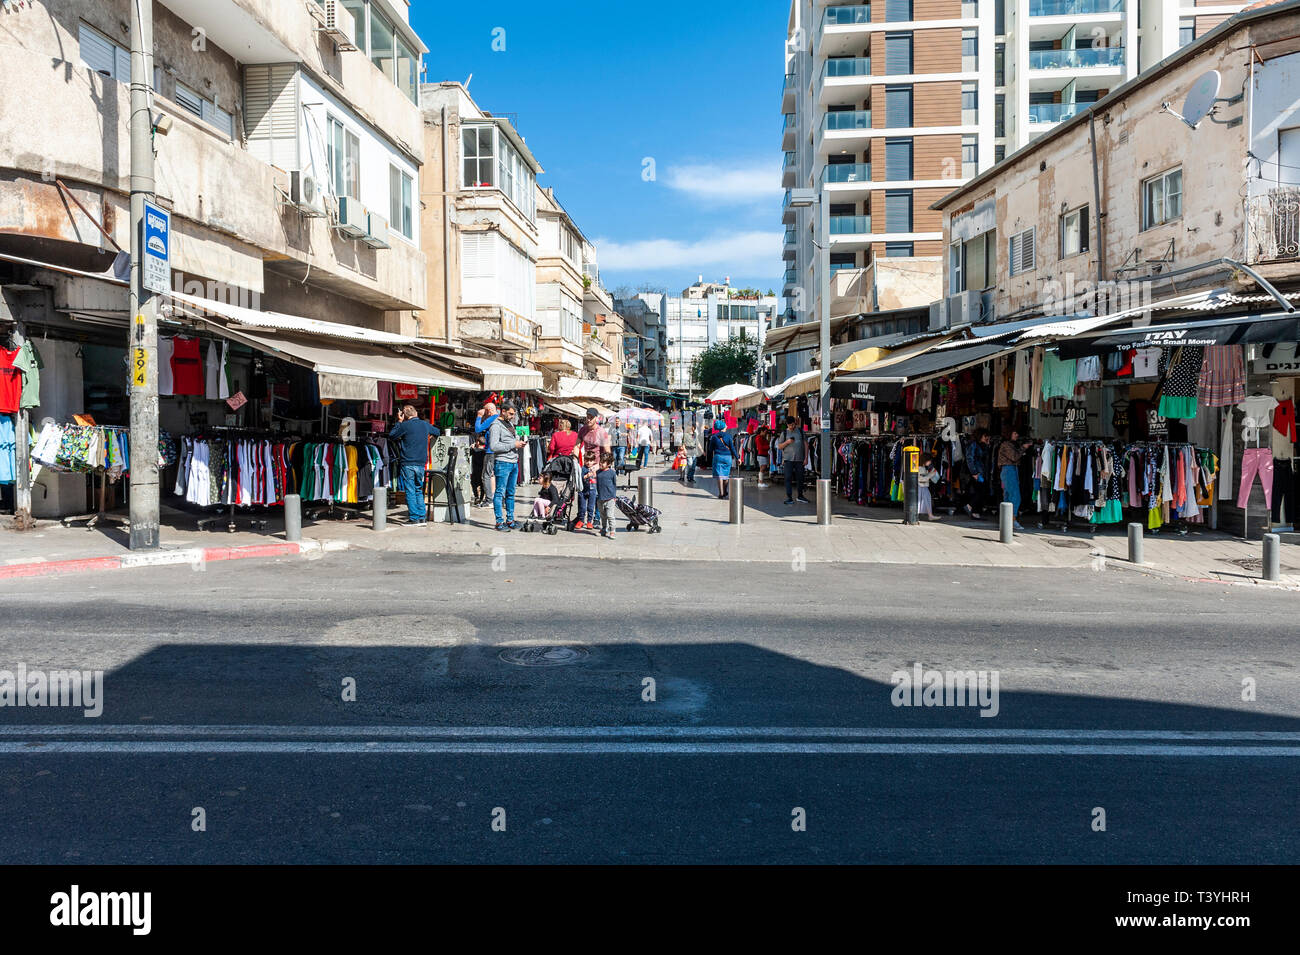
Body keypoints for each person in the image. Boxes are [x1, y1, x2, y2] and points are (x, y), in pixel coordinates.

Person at [389, 405, 440, 526]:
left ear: (404, 415)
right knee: (418, 489)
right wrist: (430, 435)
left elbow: (392, 435)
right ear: (416, 413)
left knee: (410, 490)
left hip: (408, 462)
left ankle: (414, 518)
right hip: (421, 463)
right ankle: (422, 517)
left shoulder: (404, 425)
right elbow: (437, 432)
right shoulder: (424, 424)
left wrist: (399, 422)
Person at [487, 403, 525, 531]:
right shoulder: (495, 425)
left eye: (514, 414)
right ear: (502, 411)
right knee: (500, 492)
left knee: (511, 493)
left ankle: (510, 519)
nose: (513, 416)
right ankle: (499, 522)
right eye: (510, 413)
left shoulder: (509, 424)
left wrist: (518, 444)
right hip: (503, 462)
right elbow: (493, 446)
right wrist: (513, 445)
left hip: (513, 461)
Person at [997, 429, 1026, 530]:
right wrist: (1023, 448)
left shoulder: (1009, 444)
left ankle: (1006, 520)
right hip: (1009, 469)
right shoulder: (1006, 445)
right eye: (1015, 433)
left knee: (1008, 496)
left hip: (1009, 470)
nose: (1017, 435)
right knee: (1015, 496)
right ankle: (1012, 519)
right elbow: (1014, 457)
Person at [777, 415, 808, 505]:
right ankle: (789, 497)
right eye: (790, 425)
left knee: (800, 477)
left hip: (800, 459)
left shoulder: (801, 432)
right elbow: (779, 446)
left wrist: (806, 458)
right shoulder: (784, 433)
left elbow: (806, 445)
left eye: (793, 425)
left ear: (795, 423)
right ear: (787, 425)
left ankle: (800, 495)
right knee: (788, 478)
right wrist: (787, 442)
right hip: (788, 459)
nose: (792, 427)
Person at [963, 429, 992, 519]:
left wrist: (987, 445)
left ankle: (975, 512)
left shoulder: (981, 445)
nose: (986, 438)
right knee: (981, 491)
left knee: (980, 491)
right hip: (976, 472)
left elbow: (985, 458)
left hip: (981, 471)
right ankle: (970, 506)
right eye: (984, 436)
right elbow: (969, 458)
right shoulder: (973, 444)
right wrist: (974, 472)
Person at [577, 408, 611, 475]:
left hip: (599, 467)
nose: (589, 420)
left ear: (596, 418)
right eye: (588, 417)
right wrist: (575, 459)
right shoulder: (582, 430)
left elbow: (608, 452)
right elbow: (577, 446)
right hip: (586, 465)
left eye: (591, 418)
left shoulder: (601, 431)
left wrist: (600, 465)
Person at [709, 421, 737, 499]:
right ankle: (725, 491)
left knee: (719, 476)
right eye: (725, 425)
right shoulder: (728, 436)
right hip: (727, 457)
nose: (727, 426)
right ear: (723, 427)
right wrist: (737, 458)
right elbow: (732, 448)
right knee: (726, 475)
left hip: (718, 457)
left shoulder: (714, 437)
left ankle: (721, 493)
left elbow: (710, 449)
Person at [596, 452, 619, 539]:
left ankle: (612, 530)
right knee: (603, 515)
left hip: (609, 498)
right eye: (600, 462)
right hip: (600, 498)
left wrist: (614, 496)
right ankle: (604, 529)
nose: (601, 463)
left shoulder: (612, 473)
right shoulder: (598, 472)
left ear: (608, 464)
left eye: (603, 462)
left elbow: (614, 484)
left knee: (610, 516)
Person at [575, 450, 599, 531]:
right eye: (587, 460)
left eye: (591, 461)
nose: (589, 462)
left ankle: (589, 521)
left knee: (591, 507)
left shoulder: (595, 469)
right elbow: (579, 478)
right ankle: (581, 520)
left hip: (592, 490)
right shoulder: (583, 469)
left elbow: (599, 478)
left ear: (594, 461)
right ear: (584, 460)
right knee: (582, 507)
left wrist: (596, 475)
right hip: (583, 490)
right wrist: (586, 476)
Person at [917, 453, 941, 521]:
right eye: (929, 461)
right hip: (921, 487)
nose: (930, 462)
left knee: (926, 500)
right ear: (925, 460)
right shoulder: (920, 468)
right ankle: (927, 515)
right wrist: (931, 475)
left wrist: (930, 474)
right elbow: (921, 479)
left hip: (923, 486)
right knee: (920, 501)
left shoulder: (923, 467)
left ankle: (930, 515)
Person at [470, 432, 487, 507]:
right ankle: (481, 498)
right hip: (483, 471)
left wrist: (472, 447)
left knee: (473, 483)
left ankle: (476, 496)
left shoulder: (474, 450)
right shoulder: (485, 452)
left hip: (475, 471)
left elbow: (468, 453)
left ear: (477, 442)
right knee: (483, 486)